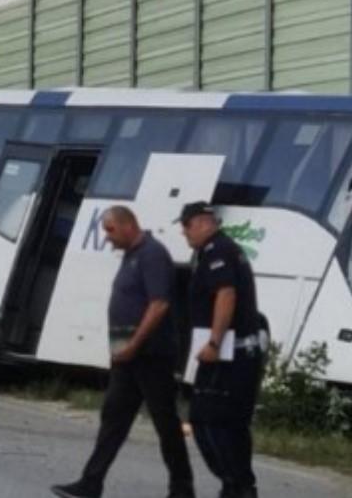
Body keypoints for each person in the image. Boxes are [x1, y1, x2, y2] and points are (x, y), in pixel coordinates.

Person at [52, 205, 195, 498]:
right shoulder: (132, 255)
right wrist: (120, 350)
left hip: (151, 355)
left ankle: (183, 490)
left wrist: (133, 345)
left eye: (110, 230)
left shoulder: (152, 254)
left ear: (128, 225)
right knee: (113, 418)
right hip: (128, 358)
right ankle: (91, 483)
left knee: (165, 422)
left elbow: (159, 305)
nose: (107, 237)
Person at [180, 201, 263, 498]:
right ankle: (237, 486)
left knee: (208, 420)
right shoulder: (224, 249)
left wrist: (214, 342)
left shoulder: (218, 252)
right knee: (228, 422)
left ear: (202, 223)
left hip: (228, 353)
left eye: (186, 226)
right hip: (235, 352)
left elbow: (225, 294)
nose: (184, 234)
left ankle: (237, 484)